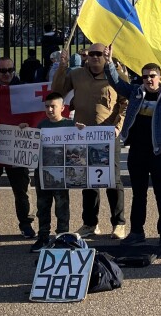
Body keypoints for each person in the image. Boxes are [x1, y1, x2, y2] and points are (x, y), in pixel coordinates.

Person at [103, 57, 161, 246]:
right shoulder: (136, 92)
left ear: (160, 77)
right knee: (139, 194)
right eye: (145, 76)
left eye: (152, 76)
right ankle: (137, 231)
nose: (148, 79)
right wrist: (108, 63)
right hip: (137, 151)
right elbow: (116, 82)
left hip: (158, 152)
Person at [52, 44, 127, 238]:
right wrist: (62, 68)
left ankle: (118, 223)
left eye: (98, 54)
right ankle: (90, 223)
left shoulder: (116, 75)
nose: (94, 57)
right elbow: (57, 93)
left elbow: (125, 103)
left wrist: (118, 127)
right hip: (84, 134)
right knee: (88, 180)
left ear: (106, 55)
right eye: (90, 54)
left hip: (108, 135)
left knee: (113, 179)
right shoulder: (76, 74)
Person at [0, 57, 35, 239]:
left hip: (17, 145)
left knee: (22, 190)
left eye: (10, 70)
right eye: (2, 70)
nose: (7, 74)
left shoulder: (24, 90)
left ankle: (26, 223)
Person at [29, 92, 74, 251]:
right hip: (43, 172)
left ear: (62, 107)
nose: (49, 109)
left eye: (53, 106)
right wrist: (24, 131)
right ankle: (43, 237)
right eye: (47, 106)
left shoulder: (70, 125)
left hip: (61, 174)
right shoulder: (41, 125)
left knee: (62, 206)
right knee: (43, 206)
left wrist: (82, 130)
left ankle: (62, 237)